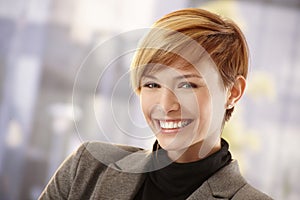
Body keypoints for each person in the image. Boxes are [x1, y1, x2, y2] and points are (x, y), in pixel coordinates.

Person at [39, 8, 272, 200]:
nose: (165, 105)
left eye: (187, 85)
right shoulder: (87, 169)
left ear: (233, 92)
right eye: (152, 85)